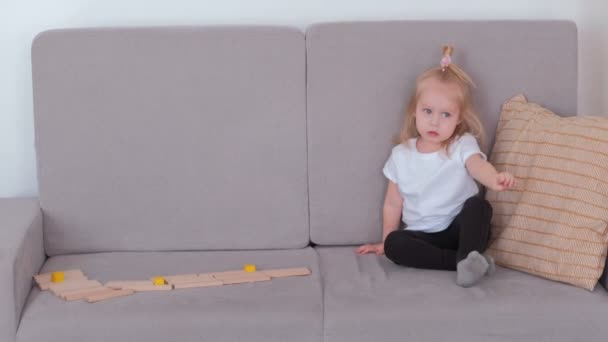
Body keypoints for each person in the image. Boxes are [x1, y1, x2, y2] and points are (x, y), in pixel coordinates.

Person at [355, 46, 515, 287]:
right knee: (395, 245)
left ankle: (468, 256)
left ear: (459, 117)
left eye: (446, 115)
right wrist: (386, 239)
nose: (434, 121)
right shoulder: (401, 155)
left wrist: (494, 179)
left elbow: (476, 165)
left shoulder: (462, 144)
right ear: (414, 111)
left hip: (460, 232)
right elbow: (392, 203)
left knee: (479, 207)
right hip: (422, 238)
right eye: (427, 111)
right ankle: (465, 263)